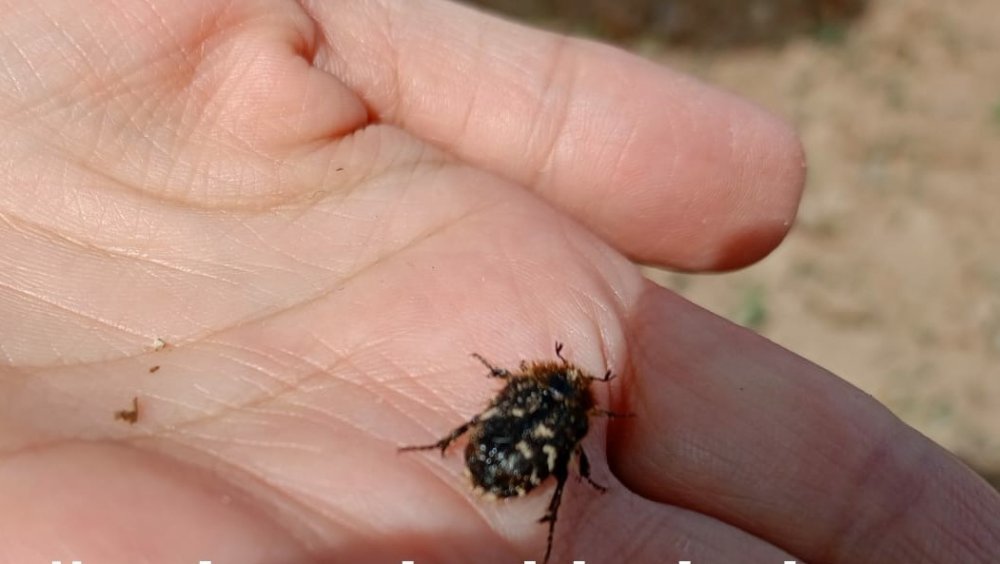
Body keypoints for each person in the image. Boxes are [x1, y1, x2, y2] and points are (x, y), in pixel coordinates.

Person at [0, 0, 996, 562]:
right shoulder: (550, 406)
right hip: (514, 459)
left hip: (505, 456)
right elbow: (518, 417)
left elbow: (508, 413)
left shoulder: (534, 401)